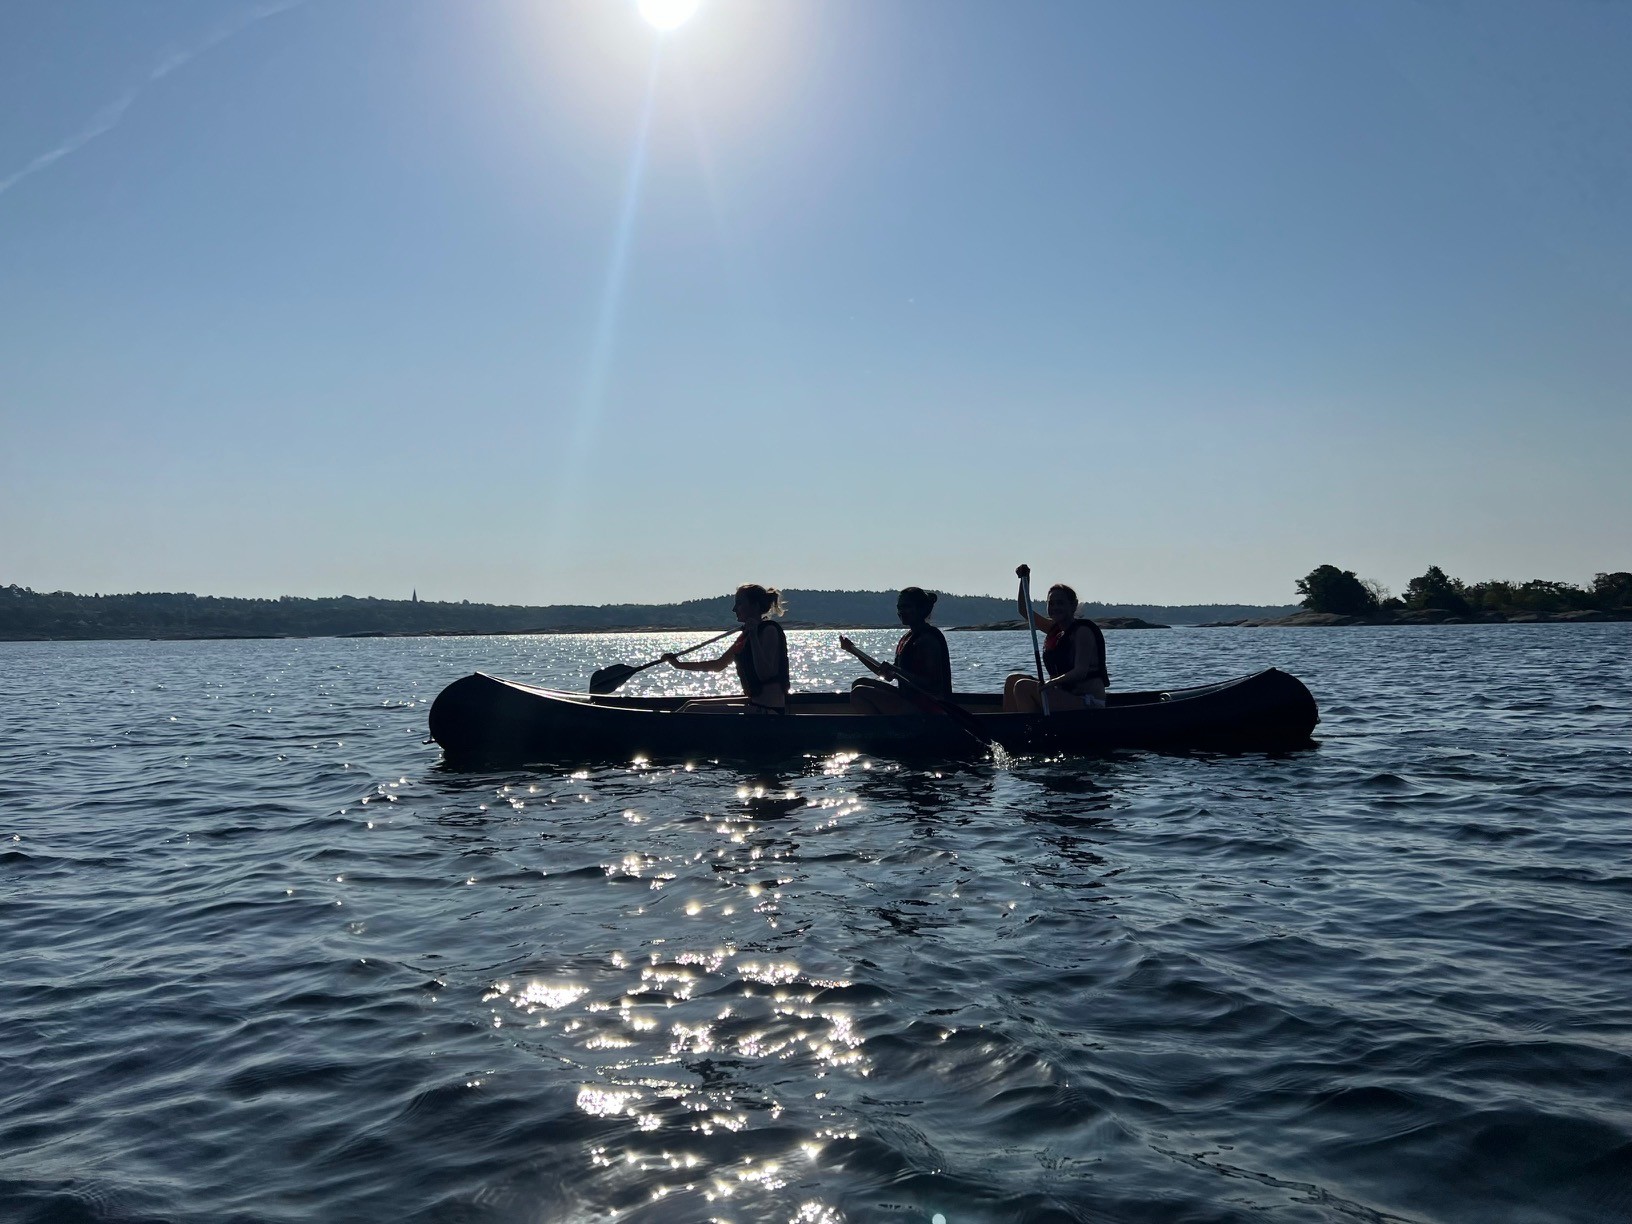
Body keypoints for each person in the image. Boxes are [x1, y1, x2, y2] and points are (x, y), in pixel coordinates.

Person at [662, 584, 789, 714]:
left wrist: (754, 635)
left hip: (770, 711)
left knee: (691, 710)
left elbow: (765, 674)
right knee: (689, 704)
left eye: (739, 603)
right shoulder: (745, 637)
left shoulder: (769, 630)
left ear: (755, 606)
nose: (734, 609)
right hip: (754, 704)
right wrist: (678, 665)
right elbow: (718, 665)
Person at [1003, 564, 1109, 713]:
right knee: (1012, 680)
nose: (1055, 608)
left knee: (1022, 686)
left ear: (1073, 606)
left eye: (1060, 603)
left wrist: (1051, 683)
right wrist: (1025, 579)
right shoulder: (1055, 629)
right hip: (1063, 695)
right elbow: (1024, 610)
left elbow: (1080, 672)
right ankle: (1010, 724)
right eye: (1051, 604)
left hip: (1087, 702)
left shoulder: (1083, 631)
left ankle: (1031, 726)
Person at [840, 587, 954, 715]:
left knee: (859, 693)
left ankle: (884, 727)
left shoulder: (928, 640)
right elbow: (887, 675)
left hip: (929, 708)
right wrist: (853, 651)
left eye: (906, 607)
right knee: (860, 683)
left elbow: (933, 685)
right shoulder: (907, 638)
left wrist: (897, 671)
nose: (901, 612)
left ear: (921, 609)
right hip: (910, 699)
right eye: (899, 608)